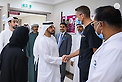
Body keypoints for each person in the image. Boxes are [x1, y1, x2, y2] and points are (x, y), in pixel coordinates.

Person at [64, 5, 103, 82]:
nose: (76, 19)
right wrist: (69, 56)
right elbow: (83, 48)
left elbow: (96, 51)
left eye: (76, 16)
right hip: (83, 66)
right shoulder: (86, 29)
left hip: (89, 67)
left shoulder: (91, 29)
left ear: (82, 15)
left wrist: (96, 69)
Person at [86, 6, 122, 82]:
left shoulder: (114, 48)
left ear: (101, 25)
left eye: (94, 23)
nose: (94, 26)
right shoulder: (112, 42)